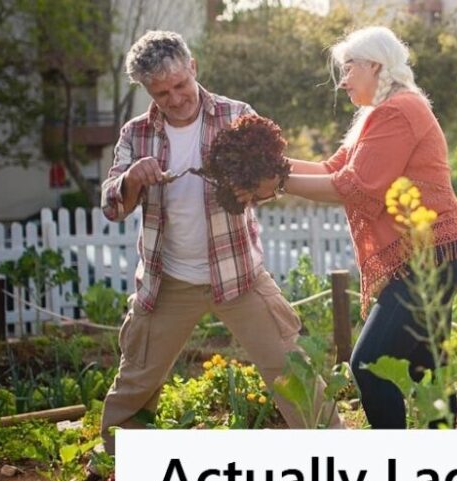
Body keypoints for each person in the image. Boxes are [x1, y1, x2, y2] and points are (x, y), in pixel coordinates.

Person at [99, 30, 342, 457]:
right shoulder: (135, 134)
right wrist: (129, 180)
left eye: (180, 85)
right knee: (137, 379)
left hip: (239, 274)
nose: (175, 99)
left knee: (290, 367)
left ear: (193, 68)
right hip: (168, 279)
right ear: (147, 91)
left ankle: (341, 457)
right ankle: (119, 471)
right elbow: (112, 205)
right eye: (161, 93)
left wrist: (255, 186)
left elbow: (271, 182)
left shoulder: (236, 115)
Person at [246, 26, 457, 429]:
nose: (343, 80)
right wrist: (271, 165)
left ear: (376, 65)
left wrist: (277, 183)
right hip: (435, 253)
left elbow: (353, 187)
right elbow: (333, 169)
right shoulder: (380, 113)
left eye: (350, 68)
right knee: (427, 366)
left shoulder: (398, 110)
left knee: (369, 364)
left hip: (430, 255)